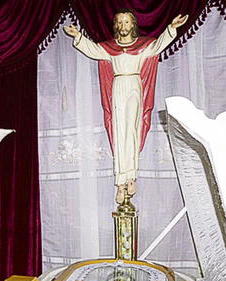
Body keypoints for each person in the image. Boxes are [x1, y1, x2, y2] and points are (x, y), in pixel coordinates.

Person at [64, 10, 188, 203]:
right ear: (116, 26)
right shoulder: (110, 47)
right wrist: (78, 36)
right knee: (118, 132)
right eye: (120, 22)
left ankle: (131, 176)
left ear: (133, 25)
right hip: (118, 87)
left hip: (134, 87)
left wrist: (171, 28)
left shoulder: (142, 45)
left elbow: (158, 46)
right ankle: (120, 182)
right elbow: (92, 50)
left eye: (127, 22)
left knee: (131, 130)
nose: (123, 26)